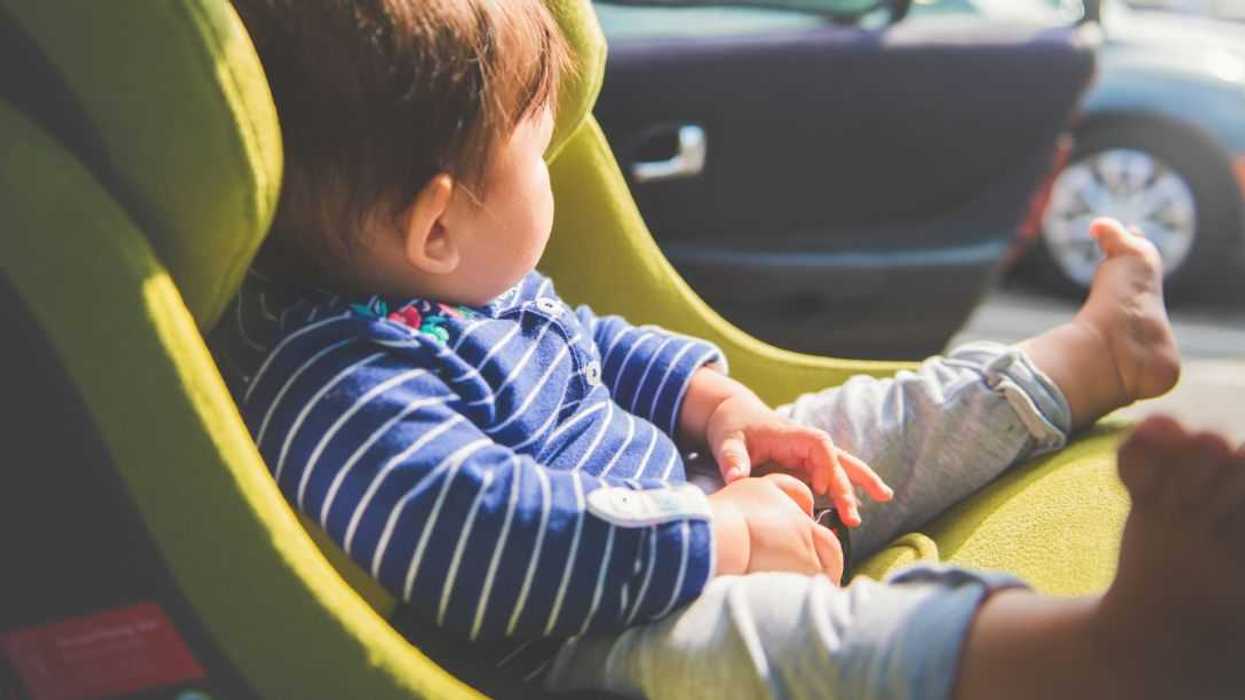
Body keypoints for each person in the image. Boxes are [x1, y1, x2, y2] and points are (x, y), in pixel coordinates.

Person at [212, 1, 1244, 698]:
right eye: (534, 147)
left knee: (860, 422)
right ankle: (1095, 651)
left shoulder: (454, 289)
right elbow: (477, 540)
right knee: (796, 652)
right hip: (593, 643)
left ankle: (1087, 357)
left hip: (697, 496)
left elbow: (592, 344)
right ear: (436, 227)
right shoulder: (339, 382)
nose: (553, 169)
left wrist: (714, 407)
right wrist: (720, 536)